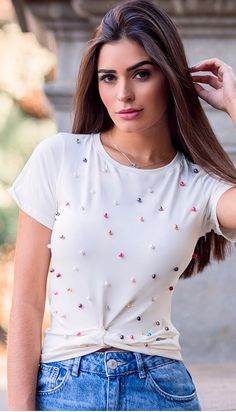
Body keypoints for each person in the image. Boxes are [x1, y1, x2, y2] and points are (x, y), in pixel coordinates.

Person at [6, 0, 236, 410]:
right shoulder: (59, 158)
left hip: (160, 389)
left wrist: (235, 104)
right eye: (108, 78)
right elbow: (25, 304)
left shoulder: (199, 186)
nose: (123, 93)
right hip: (64, 387)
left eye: (141, 74)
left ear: (170, 77)